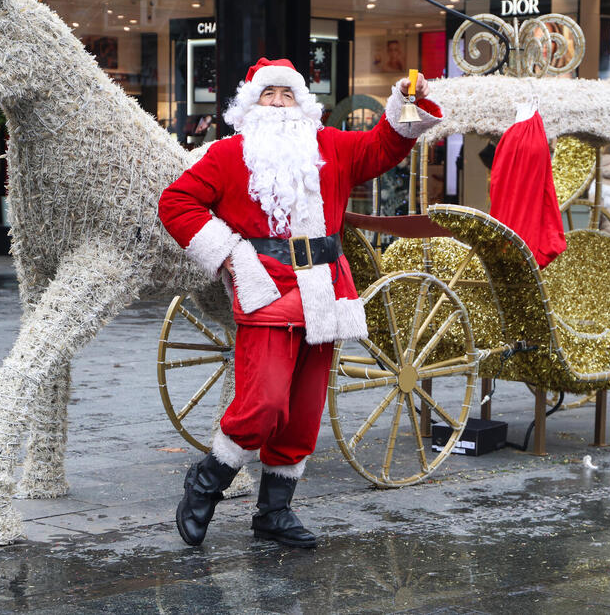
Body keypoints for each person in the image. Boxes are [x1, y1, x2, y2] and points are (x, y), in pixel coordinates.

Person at [158, 57, 442, 548]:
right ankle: (206, 482)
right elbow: (176, 202)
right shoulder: (228, 154)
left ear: (303, 104)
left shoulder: (329, 146)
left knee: (304, 412)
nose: (278, 102)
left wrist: (408, 105)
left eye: (287, 94)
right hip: (267, 291)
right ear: (250, 105)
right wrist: (231, 255)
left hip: (325, 294)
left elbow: (385, 146)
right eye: (268, 94)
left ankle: (274, 513)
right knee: (262, 405)